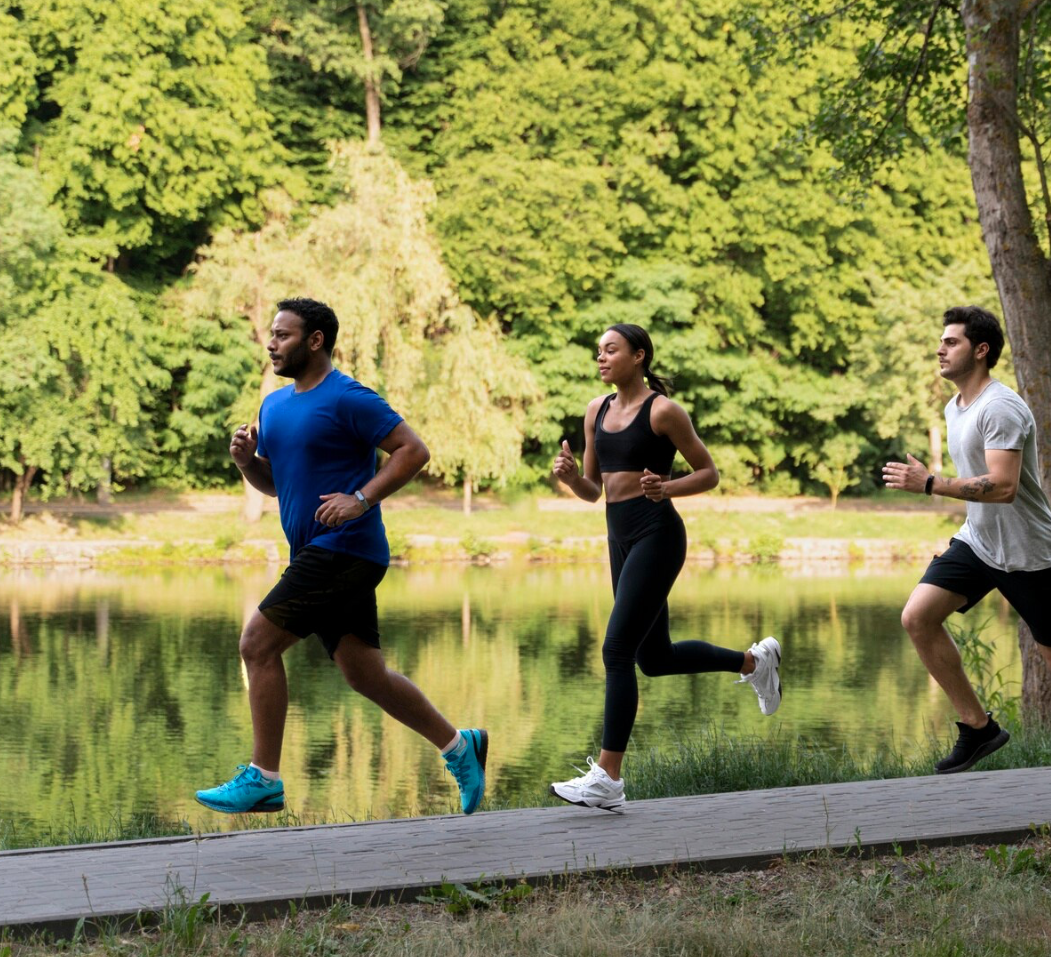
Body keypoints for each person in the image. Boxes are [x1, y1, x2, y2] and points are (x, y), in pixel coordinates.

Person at [195, 297, 489, 816]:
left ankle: (263, 777)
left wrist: (361, 499)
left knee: (257, 644)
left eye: (283, 335)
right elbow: (276, 484)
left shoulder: (349, 397)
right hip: (315, 551)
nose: (271, 343)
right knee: (364, 675)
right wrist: (245, 464)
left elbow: (413, 451)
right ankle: (459, 745)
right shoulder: (274, 406)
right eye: (272, 334)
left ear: (315, 341)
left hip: (348, 550)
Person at [883, 306, 1051, 815]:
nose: (940, 349)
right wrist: (960, 531)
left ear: (980, 349)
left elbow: (1004, 487)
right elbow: (977, 486)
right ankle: (979, 728)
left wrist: (930, 483)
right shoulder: (955, 407)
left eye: (951, 342)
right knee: (917, 617)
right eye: (940, 342)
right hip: (979, 544)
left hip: (1030, 556)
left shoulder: (1001, 407)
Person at [547, 323, 782, 811]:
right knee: (652, 659)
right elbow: (595, 491)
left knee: (616, 650)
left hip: (658, 534)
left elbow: (709, 473)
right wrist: (571, 480)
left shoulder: (664, 411)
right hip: (620, 537)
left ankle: (608, 778)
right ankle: (755, 663)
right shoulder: (597, 410)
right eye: (598, 352)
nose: (601, 358)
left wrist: (667, 488)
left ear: (638, 355)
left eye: (611, 350)